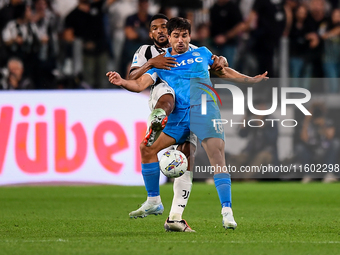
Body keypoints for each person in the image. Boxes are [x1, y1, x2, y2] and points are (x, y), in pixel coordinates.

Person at [107, 17, 268, 230]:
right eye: (176, 36)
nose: (180, 40)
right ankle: (154, 201)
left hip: (205, 110)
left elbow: (223, 71)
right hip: (179, 117)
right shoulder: (162, 61)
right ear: (170, 38)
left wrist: (250, 80)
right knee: (147, 148)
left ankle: (227, 212)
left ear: (189, 37)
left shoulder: (201, 52)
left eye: (184, 35)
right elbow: (139, 84)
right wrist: (122, 82)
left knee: (217, 158)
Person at [127, 14, 228, 232]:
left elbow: (214, 63)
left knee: (186, 157)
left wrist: (221, 61)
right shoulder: (146, 52)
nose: (161, 31)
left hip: (189, 108)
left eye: (165, 27)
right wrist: (151, 63)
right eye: (157, 28)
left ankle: (175, 217)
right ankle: (159, 118)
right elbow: (134, 77)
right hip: (159, 98)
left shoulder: (190, 49)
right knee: (166, 94)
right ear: (151, 32)